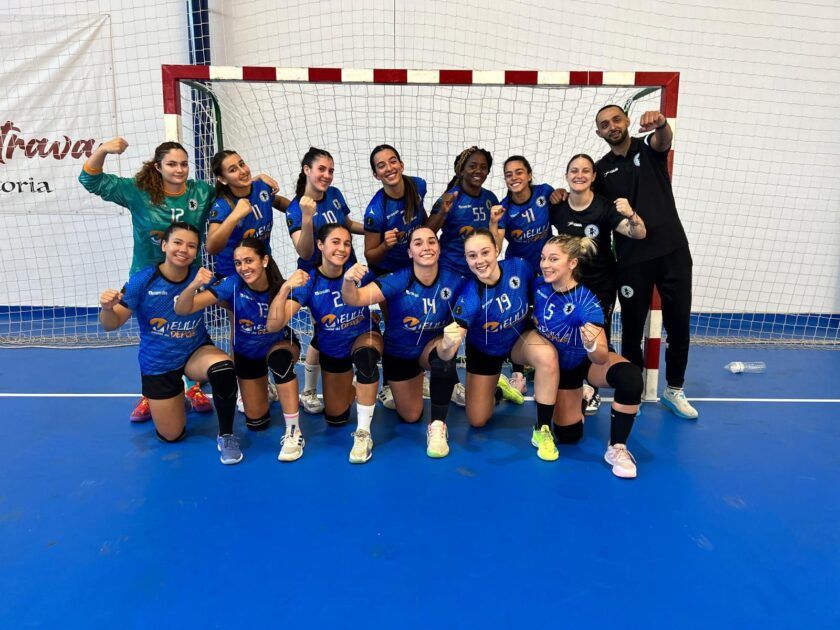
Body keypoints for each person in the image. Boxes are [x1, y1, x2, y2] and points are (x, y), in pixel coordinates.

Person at [80, 138, 278, 422]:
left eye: (184, 164)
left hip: (189, 276)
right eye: (172, 164)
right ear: (157, 167)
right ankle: (151, 391)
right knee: (154, 332)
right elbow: (90, 179)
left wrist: (257, 181)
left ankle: (193, 384)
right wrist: (102, 150)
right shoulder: (138, 191)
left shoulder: (200, 192)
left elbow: (231, 185)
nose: (179, 169)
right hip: (148, 276)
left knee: (189, 328)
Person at [98, 223, 242, 465]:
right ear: (164, 245)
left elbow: (230, 288)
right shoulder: (142, 281)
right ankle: (176, 398)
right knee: (172, 436)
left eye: (191, 246)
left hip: (195, 351)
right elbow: (111, 324)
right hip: (158, 362)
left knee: (223, 369)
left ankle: (227, 435)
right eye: (177, 242)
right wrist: (107, 308)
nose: (183, 249)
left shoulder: (201, 277)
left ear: (196, 252)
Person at [593, 105, 697, 419]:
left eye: (616, 120)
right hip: (631, 260)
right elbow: (590, 204)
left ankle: (674, 389)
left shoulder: (648, 149)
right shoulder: (601, 170)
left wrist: (662, 123)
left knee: (678, 324)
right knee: (632, 330)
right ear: (599, 133)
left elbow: (663, 139)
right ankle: (632, 391)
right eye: (604, 124)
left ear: (626, 121)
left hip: (672, 251)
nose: (612, 126)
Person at [173, 238, 305, 462]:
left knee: (280, 361)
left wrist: (284, 290)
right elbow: (183, 309)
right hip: (247, 353)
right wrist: (194, 285)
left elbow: (273, 326)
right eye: (238, 263)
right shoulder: (232, 284)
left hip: (277, 343)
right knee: (257, 422)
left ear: (264, 260)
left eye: (249, 261)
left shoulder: (283, 286)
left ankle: (294, 432)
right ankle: (268, 390)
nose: (243, 268)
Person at [342, 227, 467, 459]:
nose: (426, 247)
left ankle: (437, 427)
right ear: (410, 252)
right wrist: (349, 281)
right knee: (411, 415)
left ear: (439, 248)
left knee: (445, 354)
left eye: (431, 242)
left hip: (431, 348)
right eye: (418, 243)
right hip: (399, 353)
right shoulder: (399, 279)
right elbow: (354, 298)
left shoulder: (455, 280)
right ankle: (415, 381)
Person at [532, 235, 644, 478]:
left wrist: (592, 344)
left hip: (585, 362)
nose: (545, 264)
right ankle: (582, 397)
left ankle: (617, 447)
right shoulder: (538, 287)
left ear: (572, 263)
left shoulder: (585, 302)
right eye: (543, 258)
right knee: (568, 435)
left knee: (631, 379)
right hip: (559, 367)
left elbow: (601, 357)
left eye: (553, 259)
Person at [443, 229, 560, 460]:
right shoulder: (469, 297)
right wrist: (448, 344)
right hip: (485, 351)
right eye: (472, 256)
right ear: (466, 259)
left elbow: (538, 289)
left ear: (496, 249)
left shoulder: (519, 267)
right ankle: (498, 390)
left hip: (517, 339)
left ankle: (542, 429)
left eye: (485, 252)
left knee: (548, 356)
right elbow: (451, 344)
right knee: (477, 420)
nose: (480, 261)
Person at [273, 224, 384, 463]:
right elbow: (277, 322)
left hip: (363, 335)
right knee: (336, 417)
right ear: (320, 245)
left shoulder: (359, 273)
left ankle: (363, 434)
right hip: (333, 348)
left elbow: (390, 290)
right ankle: (355, 385)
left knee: (366, 359)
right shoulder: (309, 281)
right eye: (335, 242)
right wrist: (284, 289)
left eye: (347, 243)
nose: (342, 248)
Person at [550, 153, 646, 414]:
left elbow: (639, 233)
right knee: (569, 335)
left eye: (585, 171)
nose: (579, 175)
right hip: (569, 286)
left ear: (593, 176)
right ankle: (571, 384)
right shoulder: (558, 208)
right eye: (574, 170)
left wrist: (632, 214)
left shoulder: (604, 207)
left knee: (594, 337)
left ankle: (592, 388)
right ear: (567, 176)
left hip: (600, 285)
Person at [286, 147, 364, 416]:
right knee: (323, 330)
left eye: (330, 170)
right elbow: (305, 251)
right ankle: (308, 390)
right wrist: (308, 217)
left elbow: (347, 224)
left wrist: (374, 229)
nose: (327, 175)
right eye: (321, 169)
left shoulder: (335, 194)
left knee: (351, 322)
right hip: (316, 278)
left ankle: (356, 374)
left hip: (346, 271)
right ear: (306, 170)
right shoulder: (295, 208)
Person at [363, 144, 428, 410]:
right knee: (395, 327)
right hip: (388, 274)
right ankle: (388, 384)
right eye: (381, 165)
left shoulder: (418, 186)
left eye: (392, 161)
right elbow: (370, 256)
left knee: (419, 322)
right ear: (376, 174)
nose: (389, 168)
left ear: (401, 164)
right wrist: (386, 245)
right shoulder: (375, 211)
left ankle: (417, 374)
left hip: (415, 269)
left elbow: (423, 221)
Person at [498, 155, 556, 396]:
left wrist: (563, 194)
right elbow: (496, 245)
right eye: (509, 174)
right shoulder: (504, 208)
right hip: (518, 270)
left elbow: (563, 211)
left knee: (547, 314)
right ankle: (518, 374)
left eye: (519, 172)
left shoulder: (545, 193)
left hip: (546, 267)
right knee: (519, 316)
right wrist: (493, 224)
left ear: (529, 175)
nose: (514, 177)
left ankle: (548, 363)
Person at [426, 146, 505, 277]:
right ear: (461, 171)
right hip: (451, 269)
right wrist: (442, 212)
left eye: (483, 167)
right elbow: (426, 232)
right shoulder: (450, 198)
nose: (478, 171)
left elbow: (496, 242)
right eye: (472, 166)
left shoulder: (491, 198)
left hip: (480, 269)